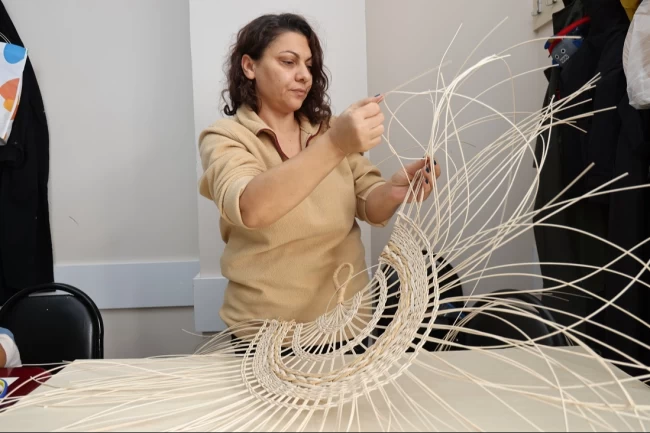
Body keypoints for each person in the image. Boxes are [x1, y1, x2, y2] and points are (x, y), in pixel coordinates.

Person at [198, 13, 441, 334]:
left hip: (347, 327)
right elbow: (250, 208)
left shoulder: (329, 130)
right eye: (288, 62)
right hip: (264, 336)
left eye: (309, 65)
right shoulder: (225, 137)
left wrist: (394, 191)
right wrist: (335, 144)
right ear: (249, 66)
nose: (303, 75)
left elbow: (369, 205)